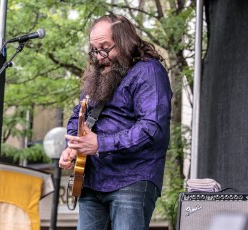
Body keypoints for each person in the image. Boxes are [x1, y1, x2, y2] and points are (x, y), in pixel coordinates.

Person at [59, 14, 172, 230]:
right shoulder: (99, 74)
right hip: (91, 180)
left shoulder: (149, 71)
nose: (100, 56)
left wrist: (100, 144)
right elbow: (78, 115)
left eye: (105, 47)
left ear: (124, 41)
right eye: (95, 49)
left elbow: (152, 128)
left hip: (132, 179)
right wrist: (72, 147)